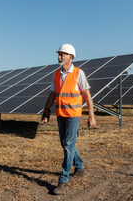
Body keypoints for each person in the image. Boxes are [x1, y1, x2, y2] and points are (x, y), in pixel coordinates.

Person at [41, 43, 96, 195]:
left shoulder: (79, 73)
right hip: (60, 114)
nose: (59, 56)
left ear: (71, 57)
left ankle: (63, 180)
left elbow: (87, 95)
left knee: (68, 145)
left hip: (73, 115)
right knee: (65, 144)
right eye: (59, 54)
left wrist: (91, 116)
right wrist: (46, 111)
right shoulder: (57, 74)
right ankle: (79, 167)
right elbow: (53, 94)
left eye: (63, 54)